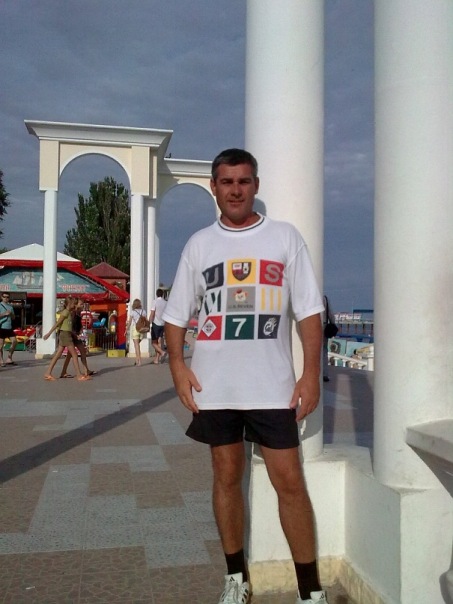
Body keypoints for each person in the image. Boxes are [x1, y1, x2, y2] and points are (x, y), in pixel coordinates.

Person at [163, 148, 328, 604]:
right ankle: (236, 578)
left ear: (255, 185)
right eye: (226, 182)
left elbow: (309, 312)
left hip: (273, 388)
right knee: (225, 476)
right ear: (214, 188)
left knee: (289, 482)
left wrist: (310, 374)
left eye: (243, 181)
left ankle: (310, 591)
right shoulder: (200, 244)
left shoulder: (285, 238)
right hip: (214, 388)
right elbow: (176, 315)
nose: (235, 190)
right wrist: (177, 365)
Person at [43, 296, 91, 381]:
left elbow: (66, 326)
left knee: (58, 354)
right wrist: (49, 333)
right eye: (73, 303)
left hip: (66, 334)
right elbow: (57, 323)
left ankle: (48, 372)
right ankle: (79, 375)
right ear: (69, 304)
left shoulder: (69, 312)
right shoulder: (65, 312)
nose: (74, 304)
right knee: (74, 354)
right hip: (65, 335)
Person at [59, 297, 96, 378]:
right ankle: (82, 372)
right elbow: (70, 325)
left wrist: (81, 329)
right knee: (78, 353)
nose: (82, 306)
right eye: (81, 304)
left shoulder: (78, 313)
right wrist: (76, 334)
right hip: (73, 335)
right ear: (76, 305)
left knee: (72, 355)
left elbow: (78, 324)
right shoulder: (73, 313)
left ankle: (65, 371)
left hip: (75, 334)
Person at [125, 298, 147, 366]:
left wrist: (126, 330)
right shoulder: (144, 311)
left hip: (135, 329)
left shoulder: (133, 312)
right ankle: (136, 359)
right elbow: (145, 321)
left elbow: (129, 322)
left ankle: (139, 361)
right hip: (142, 330)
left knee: (136, 346)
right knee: (137, 345)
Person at [149, 288, 167, 364]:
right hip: (163, 324)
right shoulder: (165, 302)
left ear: (156, 294)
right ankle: (156, 359)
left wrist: (149, 322)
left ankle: (162, 352)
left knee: (153, 342)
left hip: (156, 323)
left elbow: (152, 313)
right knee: (159, 341)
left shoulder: (155, 301)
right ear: (162, 294)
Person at [0, 292, 17, 366]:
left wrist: (11, 314)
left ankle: (9, 357)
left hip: (9, 327)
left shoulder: (10, 306)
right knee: (0, 345)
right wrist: (4, 314)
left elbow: (13, 318)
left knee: (14, 341)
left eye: (7, 297)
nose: (6, 298)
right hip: (1, 326)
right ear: (1, 297)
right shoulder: (0, 305)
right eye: (4, 297)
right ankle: (1, 360)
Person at [322, 295, 335, 383]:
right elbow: (331, 315)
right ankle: (324, 374)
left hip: (313, 326)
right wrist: (333, 324)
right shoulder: (325, 298)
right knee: (324, 351)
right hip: (324, 325)